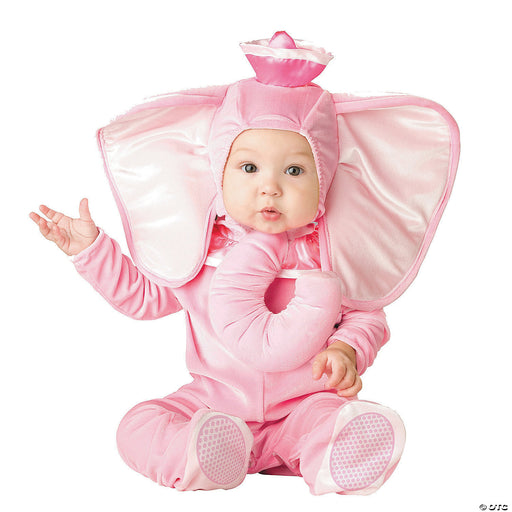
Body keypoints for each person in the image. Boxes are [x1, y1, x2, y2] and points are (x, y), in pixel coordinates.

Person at [29, 31, 459, 495]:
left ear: (325, 178)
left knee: (329, 419)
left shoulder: (330, 255)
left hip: (303, 407)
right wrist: (91, 248)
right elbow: (145, 298)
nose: (270, 187)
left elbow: (367, 316)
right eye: (249, 168)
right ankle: (200, 454)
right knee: (138, 425)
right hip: (213, 406)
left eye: (294, 170)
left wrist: (346, 351)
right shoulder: (201, 250)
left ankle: (331, 453)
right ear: (219, 173)